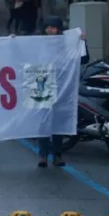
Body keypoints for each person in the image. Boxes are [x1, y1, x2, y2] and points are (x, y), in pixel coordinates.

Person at [35, 16, 89, 168]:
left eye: (53, 27)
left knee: (58, 121)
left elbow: (83, 59)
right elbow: (24, 55)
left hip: (62, 85)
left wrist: (82, 42)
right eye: (47, 27)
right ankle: (43, 155)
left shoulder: (67, 43)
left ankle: (57, 154)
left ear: (59, 28)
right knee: (44, 121)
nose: (50, 30)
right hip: (43, 84)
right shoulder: (39, 43)